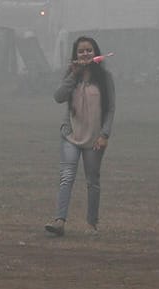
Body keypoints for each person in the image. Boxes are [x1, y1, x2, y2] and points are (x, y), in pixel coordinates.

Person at [44, 35, 114, 237]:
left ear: (96, 52)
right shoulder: (71, 76)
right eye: (81, 51)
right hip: (71, 135)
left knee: (92, 180)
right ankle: (59, 221)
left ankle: (92, 224)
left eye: (89, 50)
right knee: (66, 177)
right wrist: (73, 75)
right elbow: (58, 97)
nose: (85, 54)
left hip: (95, 138)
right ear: (75, 55)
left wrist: (105, 134)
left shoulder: (104, 78)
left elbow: (110, 108)